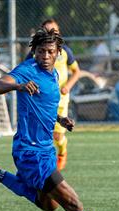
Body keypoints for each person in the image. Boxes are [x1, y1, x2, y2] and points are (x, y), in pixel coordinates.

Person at [0, 28, 119, 211]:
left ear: (58, 52)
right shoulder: (27, 70)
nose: (45, 56)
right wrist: (17, 85)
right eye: (40, 51)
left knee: (49, 205)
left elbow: (43, 106)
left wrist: (60, 119)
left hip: (45, 150)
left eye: (50, 51)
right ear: (34, 52)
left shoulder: (55, 73)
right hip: (31, 154)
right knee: (74, 204)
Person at [25, 19, 80, 171]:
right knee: (43, 134)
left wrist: (68, 86)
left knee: (57, 135)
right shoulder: (35, 53)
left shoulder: (65, 52)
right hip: (42, 99)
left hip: (60, 98)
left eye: (53, 31)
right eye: (46, 31)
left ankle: (62, 152)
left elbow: (77, 71)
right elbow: (25, 70)